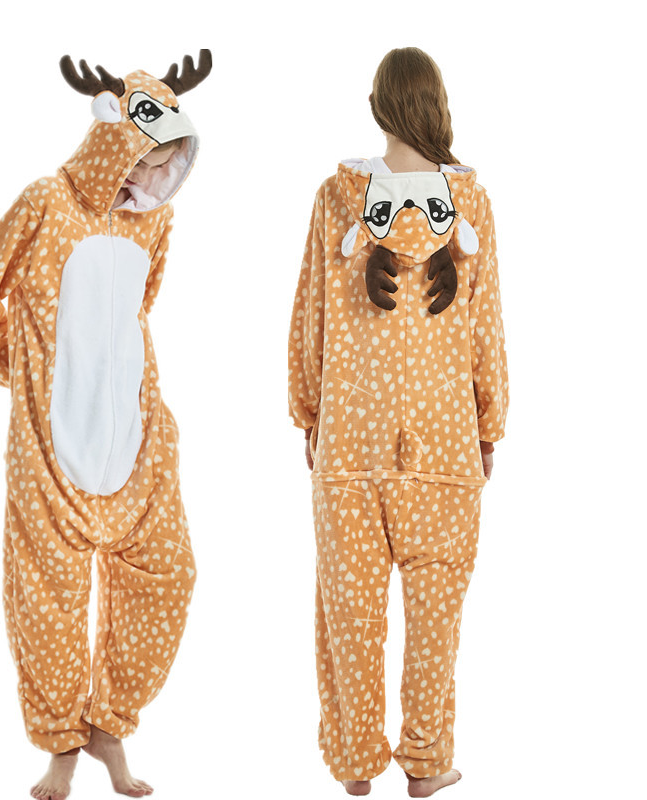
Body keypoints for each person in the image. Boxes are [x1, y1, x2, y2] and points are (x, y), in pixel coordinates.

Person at [0, 51, 212, 800]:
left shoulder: (154, 222)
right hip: (50, 448)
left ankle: (108, 724)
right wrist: (21, 373)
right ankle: (60, 746)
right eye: (145, 154)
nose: (153, 174)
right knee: (48, 601)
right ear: (113, 138)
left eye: (167, 160)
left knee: (169, 575)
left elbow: (141, 304)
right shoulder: (46, 201)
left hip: (139, 438)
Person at [287, 47, 508, 798]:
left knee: (349, 615)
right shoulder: (470, 207)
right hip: (445, 445)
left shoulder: (337, 198)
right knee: (436, 619)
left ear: (378, 106)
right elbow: (486, 329)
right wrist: (489, 423)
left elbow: (312, 314)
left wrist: (309, 412)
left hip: (351, 444)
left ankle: (356, 766)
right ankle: (426, 761)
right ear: (437, 106)